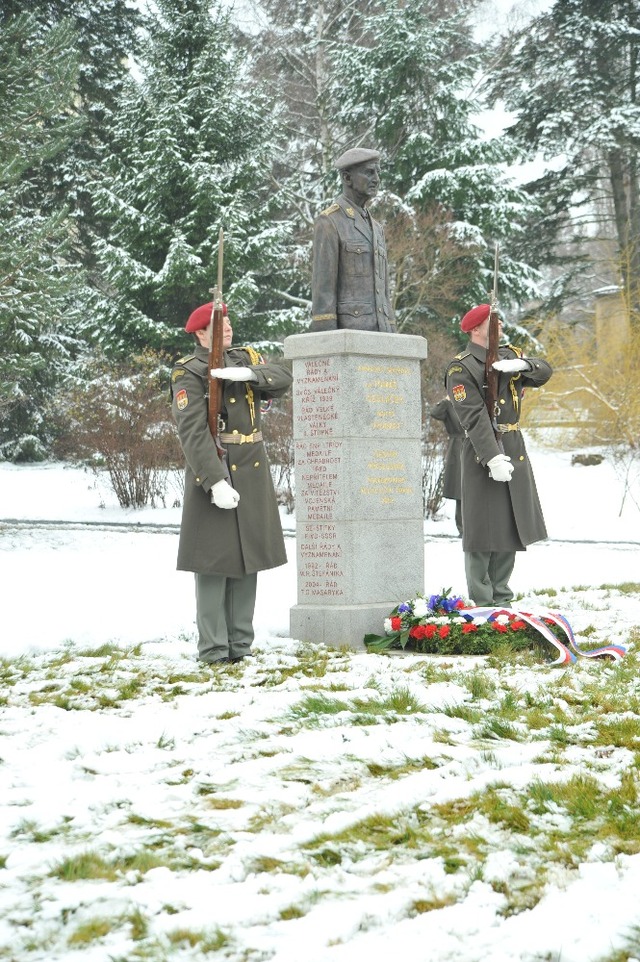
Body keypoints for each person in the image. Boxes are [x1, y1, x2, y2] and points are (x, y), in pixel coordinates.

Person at [170, 302, 293, 664]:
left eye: (227, 323)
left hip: (252, 466)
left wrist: (249, 375)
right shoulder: (188, 372)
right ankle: (213, 649)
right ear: (200, 334)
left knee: (247, 560)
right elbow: (192, 432)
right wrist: (214, 480)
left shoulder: (246, 358)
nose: (226, 329)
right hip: (217, 465)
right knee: (213, 563)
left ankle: (240, 646)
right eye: (217, 325)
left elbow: (283, 378)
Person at [444, 303, 552, 606]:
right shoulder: (462, 367)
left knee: (509, 524)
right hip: (483, 449)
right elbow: (473, 416)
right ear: (477, 329)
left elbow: (546, 371)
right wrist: (491, 457)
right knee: (481, 529)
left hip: (513, 444)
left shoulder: (508, 357)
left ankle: (502, 597)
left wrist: (525, 365)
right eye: (494, 325)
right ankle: (482, 599)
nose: (501, 329)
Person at [309, 147, 396, 333]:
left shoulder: (377, 228)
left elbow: (384, 290)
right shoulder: (330, 221)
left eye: (378, 173)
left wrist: (391, 329)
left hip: (381, 333)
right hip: (350, 331)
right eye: (369, 172)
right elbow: (323, 288)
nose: (377, 179)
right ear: (347, 178)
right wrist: (325, 335)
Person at [429, 396, 464, 537]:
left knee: (475, 490)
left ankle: (478, 528)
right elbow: (435, 413)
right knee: (461, 492)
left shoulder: (473, 400)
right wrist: (445, 400)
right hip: (457, 447)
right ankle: (463, 529)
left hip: (476, 445)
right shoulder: (449, 404)